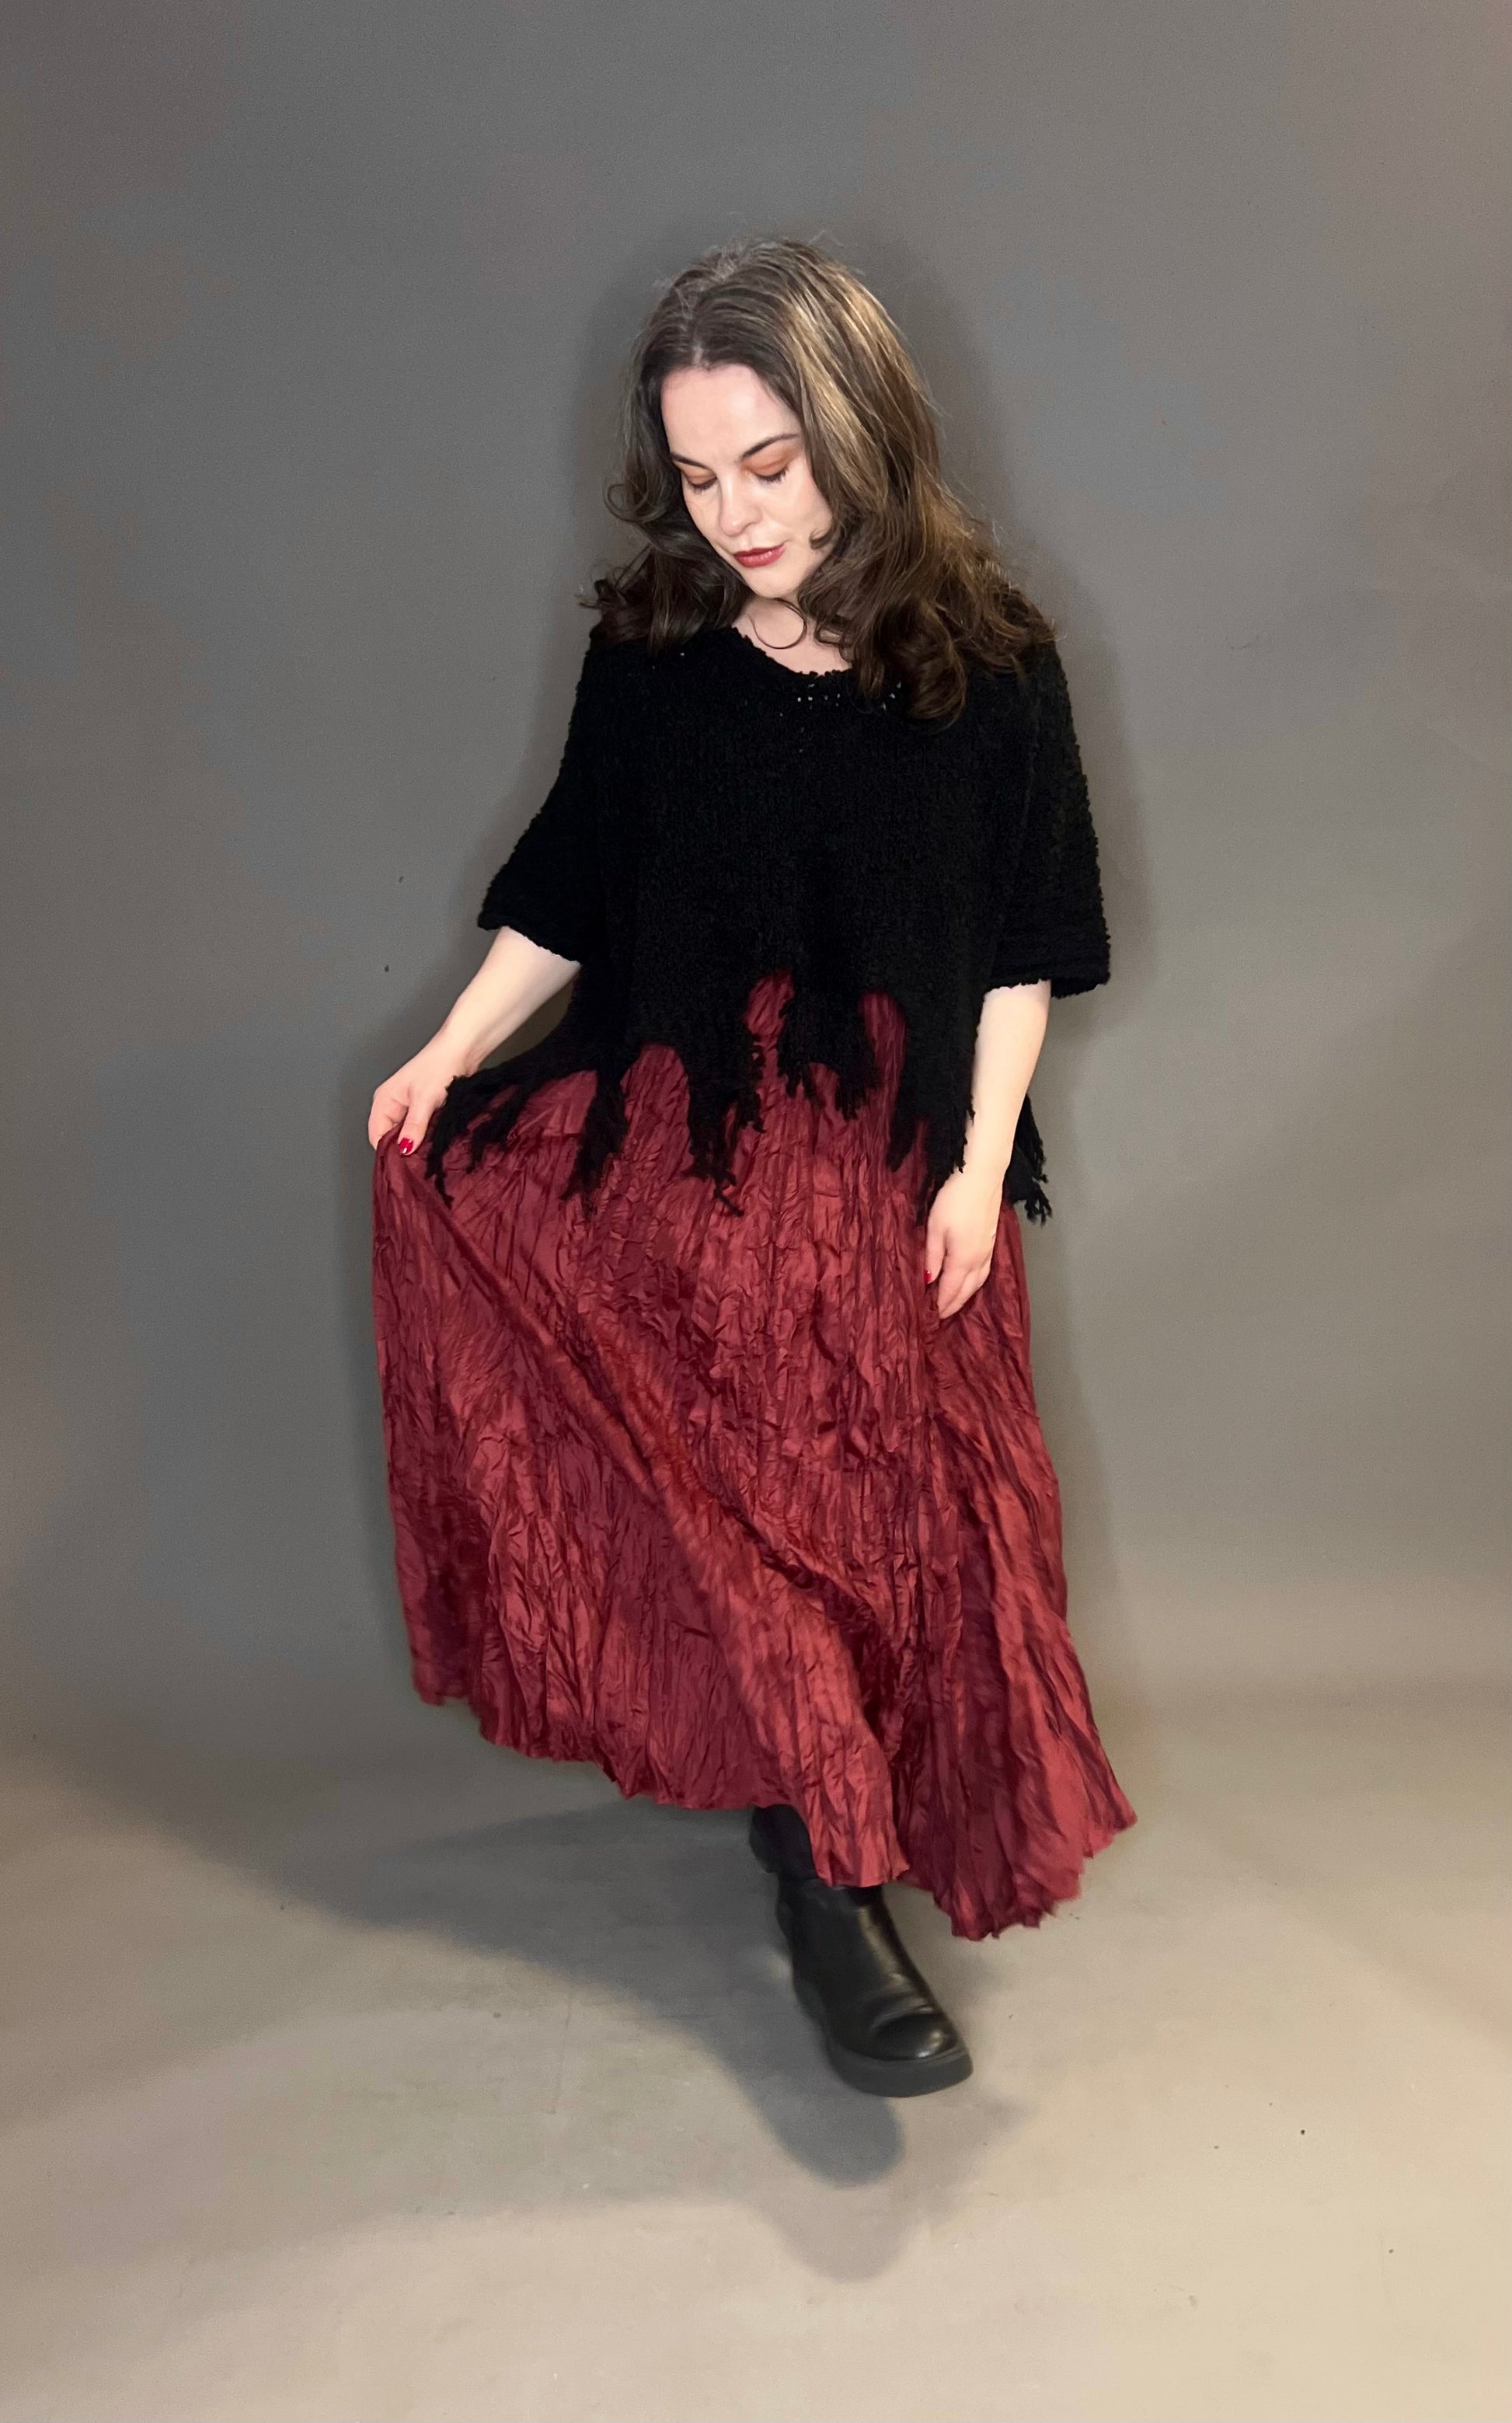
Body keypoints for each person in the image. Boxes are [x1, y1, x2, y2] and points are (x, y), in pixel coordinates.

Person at [368, 235, 1136, 2099]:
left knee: (878, 1524)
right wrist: (450, 1051)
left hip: (887, 1166)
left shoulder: (992, 666)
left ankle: (837, 1827)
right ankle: (823, 1873)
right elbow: (568, 886)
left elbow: (1024, 949)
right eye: (700, 475)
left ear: (858, 432)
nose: (736, 516)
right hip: (682, 1152)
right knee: (740, 1520)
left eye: (770, 465)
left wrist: (976, 1168)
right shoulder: (652, 656)